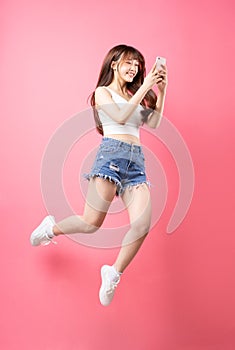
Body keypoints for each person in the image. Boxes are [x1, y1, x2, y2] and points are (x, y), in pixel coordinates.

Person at [30, 44, 168, 306]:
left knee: (142, 225)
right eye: (129, 63)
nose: (134, 68)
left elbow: (154, 122)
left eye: (138, 65)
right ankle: (51, 228)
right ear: (114, 64)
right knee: (91, 223)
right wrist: (144, 86)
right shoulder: (103, 92)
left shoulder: (132, 96)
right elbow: (119, 114)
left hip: (136, 163)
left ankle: (113, 272)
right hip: (111, 158)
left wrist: (162, 88)